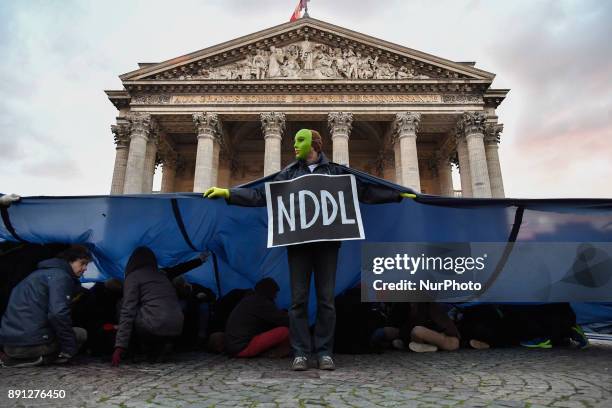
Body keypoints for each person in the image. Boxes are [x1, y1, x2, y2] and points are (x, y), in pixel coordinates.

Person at [204, 129, 413, 370]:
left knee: (326, 300)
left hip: (327, 244)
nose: (294, 145)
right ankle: (301, 352)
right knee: (298, 300)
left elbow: (364, 192)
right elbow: (262, 195)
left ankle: (324, 352)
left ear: (314, 144)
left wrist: (396, 195)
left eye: (299, 140)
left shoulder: (336, 171)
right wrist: (230, 193)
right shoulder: (289, 173)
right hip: (298, 244)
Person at [111, 247, 207, 366]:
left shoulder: (133, 277)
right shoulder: (162, 274)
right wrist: (199, 260)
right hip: (177, 325)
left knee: (123, 304)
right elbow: (179, 269)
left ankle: (135, 351)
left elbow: (127, 310)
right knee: (154, 311)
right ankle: (159, 348)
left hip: (155, 324)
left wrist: (120, 346)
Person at [0, 245, 91, 367]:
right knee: (80, 334)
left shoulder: (37, 275)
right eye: (83, 263)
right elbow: (58, 314)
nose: (85, 268)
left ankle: (18, 358)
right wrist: (70, 349)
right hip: (32, 345)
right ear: (69, 260)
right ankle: (42, 358)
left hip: (9, 344)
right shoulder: (61, 276)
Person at [225, 278, 290, 358]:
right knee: (285, 331)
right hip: (243, 348)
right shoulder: (262, 302)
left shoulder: (250, 299)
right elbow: (284, 321)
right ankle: (279, 353)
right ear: (269, 291)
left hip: (234, 346)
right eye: (275, 293)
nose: (276, 296)